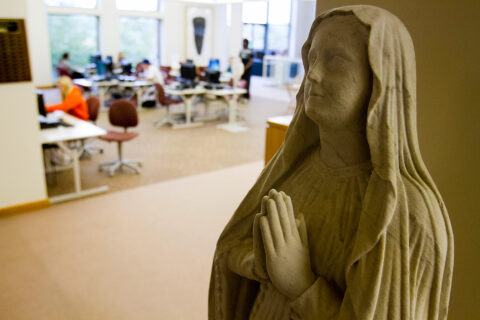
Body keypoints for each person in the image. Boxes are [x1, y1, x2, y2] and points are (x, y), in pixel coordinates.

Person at [209, 5, 453, 320]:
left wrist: (301, 284)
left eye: (335, 61)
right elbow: (231, 248)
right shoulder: (293, 169)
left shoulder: (409, 217)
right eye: (311, 59)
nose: (312, 74)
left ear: (380, 81)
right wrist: (258, 261)